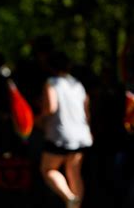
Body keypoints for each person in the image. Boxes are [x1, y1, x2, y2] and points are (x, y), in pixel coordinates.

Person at [38, 51, 93, 208]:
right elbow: (86, 110)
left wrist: (38, 120)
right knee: (74, 172)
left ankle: (69, 198)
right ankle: (77, 205)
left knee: (48, 169)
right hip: (81, 134)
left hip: (60, 134)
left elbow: (51, 107)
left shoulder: (52, 83)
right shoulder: (77, 84)